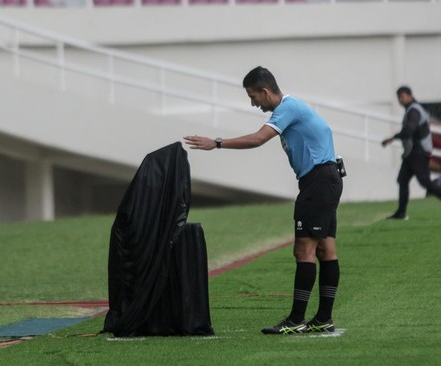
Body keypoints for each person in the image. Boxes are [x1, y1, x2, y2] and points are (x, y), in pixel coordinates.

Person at [183, 66, 343, 335]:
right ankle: (323, 319)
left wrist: (217, 143)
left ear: (265, 91)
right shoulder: (295, 108)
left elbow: (258, 139)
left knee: (303, 251)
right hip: (326, 179)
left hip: (319, 181)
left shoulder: (288, 108)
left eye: (253, 96)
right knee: (326, 250)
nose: (253, 103)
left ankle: (296, 320)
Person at [381, 86, 441, 220]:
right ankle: (401, 213)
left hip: (417, 153)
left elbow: (409, 131)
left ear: (409, 95)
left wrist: (392, 138)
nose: (400, 100)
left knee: (425, 182)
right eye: (398, 97)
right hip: (411, 153)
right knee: (403, 180)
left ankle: (401, 212)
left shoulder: (414, 110)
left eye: (402, 97)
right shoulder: (412, 109)